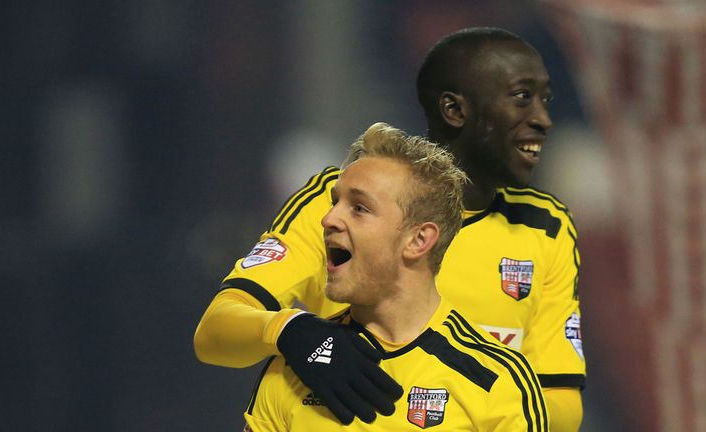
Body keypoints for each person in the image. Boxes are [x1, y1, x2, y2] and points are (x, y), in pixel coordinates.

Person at [194, 27, 584, 431]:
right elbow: (215, 329)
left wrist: (467, 402)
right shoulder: (330, 200)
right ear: (455, 110)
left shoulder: (546, 228)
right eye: (521, 99)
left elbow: (560, 401)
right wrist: (290, 330)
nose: (541, 120)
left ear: (422, 239)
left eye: (544, 102)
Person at [243, 122, 548, 431]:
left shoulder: (494, 381)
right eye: (336, 202)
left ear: (418, 241)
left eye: (359, 208)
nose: (328, 219)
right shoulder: (294, 368)